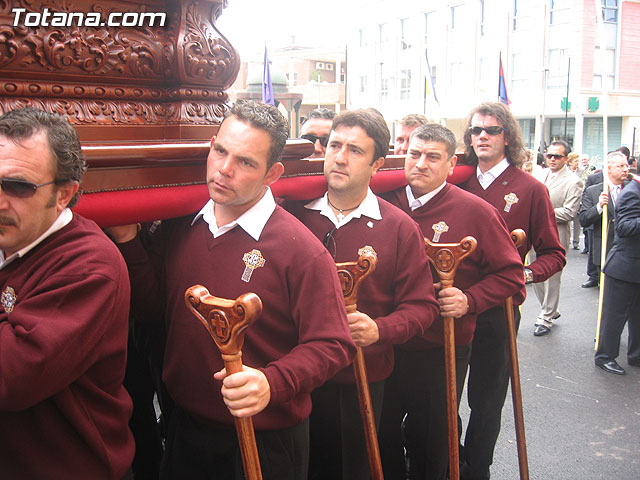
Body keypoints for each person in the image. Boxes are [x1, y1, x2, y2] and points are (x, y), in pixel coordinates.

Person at [108, 100, 356, 480]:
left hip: (263, 441)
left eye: (245, 162)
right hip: (184, 431)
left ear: (273, 172)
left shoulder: (301, 251)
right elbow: (154, 308)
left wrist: (271, 383)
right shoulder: (180, 226)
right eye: (220, 151)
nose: (223, 169)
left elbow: (333, 344)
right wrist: (127, 239)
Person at [283, 109, 439, 480]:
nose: (338, 157)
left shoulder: (399, 227)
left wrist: (379, 330)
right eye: (334, 145)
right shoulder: (291, 216)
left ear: (377, 164)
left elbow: (423, 307)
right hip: (292, 376)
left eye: (355, 150)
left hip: (357, 379)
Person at [378, 123, 525, 480]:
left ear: (451, 163)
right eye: (414, 154)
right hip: (387, 343)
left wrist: (469, 299)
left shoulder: (476, 211)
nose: (421, 164)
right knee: (381, 435)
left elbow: (511, 275)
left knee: (433, 439)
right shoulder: (382, 203)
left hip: (441, 344)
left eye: (433, 157)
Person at [0, 107, 135, 478]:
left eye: (18, 186)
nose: (0, 201)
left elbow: (9, 379)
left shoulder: (89, 266)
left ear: (64, 194)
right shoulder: (13, 237)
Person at [459, 101, 565, 480]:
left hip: (498, 309)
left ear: (508, 137)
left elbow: (554, 253)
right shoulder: (456, 182)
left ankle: (477, 469)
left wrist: (525, 273)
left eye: (491, 130)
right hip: (451, 306)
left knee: (486, 402)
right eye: (475, 131)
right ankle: (449, 462)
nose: (482, 136)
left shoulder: (530, 189)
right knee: (441, 395)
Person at [532, 140, 583, 336]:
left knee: (552, 276)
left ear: (566, 158)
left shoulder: (574, 181)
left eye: (557, 156)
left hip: (556, 233)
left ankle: (545, 318)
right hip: (534, 232)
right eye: (549, 155)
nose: (552, 159)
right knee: (535, 274)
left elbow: (569, 212)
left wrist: (542, 212)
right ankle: (551, 309)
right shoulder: (540, 174)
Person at [595, 173, 640, 375]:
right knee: (614, 317)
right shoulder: (632, 193)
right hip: (624, 268)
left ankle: (636, 355)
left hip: (634, 268)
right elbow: (624, 227)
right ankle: (605, 356)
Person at [578, 152, 631, 286]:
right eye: (620, 166)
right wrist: (599, 207)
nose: (625, 169)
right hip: (604, 248)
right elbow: (584, 219)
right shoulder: (594, 191)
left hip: (629, 250)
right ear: (609, 169)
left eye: (626, 165)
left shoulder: (633, 189)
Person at [567, 152, 583, 250]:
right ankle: (567, 239)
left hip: (578, 199)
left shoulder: (582, 172)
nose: (577, 163)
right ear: (570, 162)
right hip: (568, 198)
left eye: (578, 161)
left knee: (577, 222)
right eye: (575, 161)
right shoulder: (566, 172)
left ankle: (576, 241)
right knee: (568, 222)